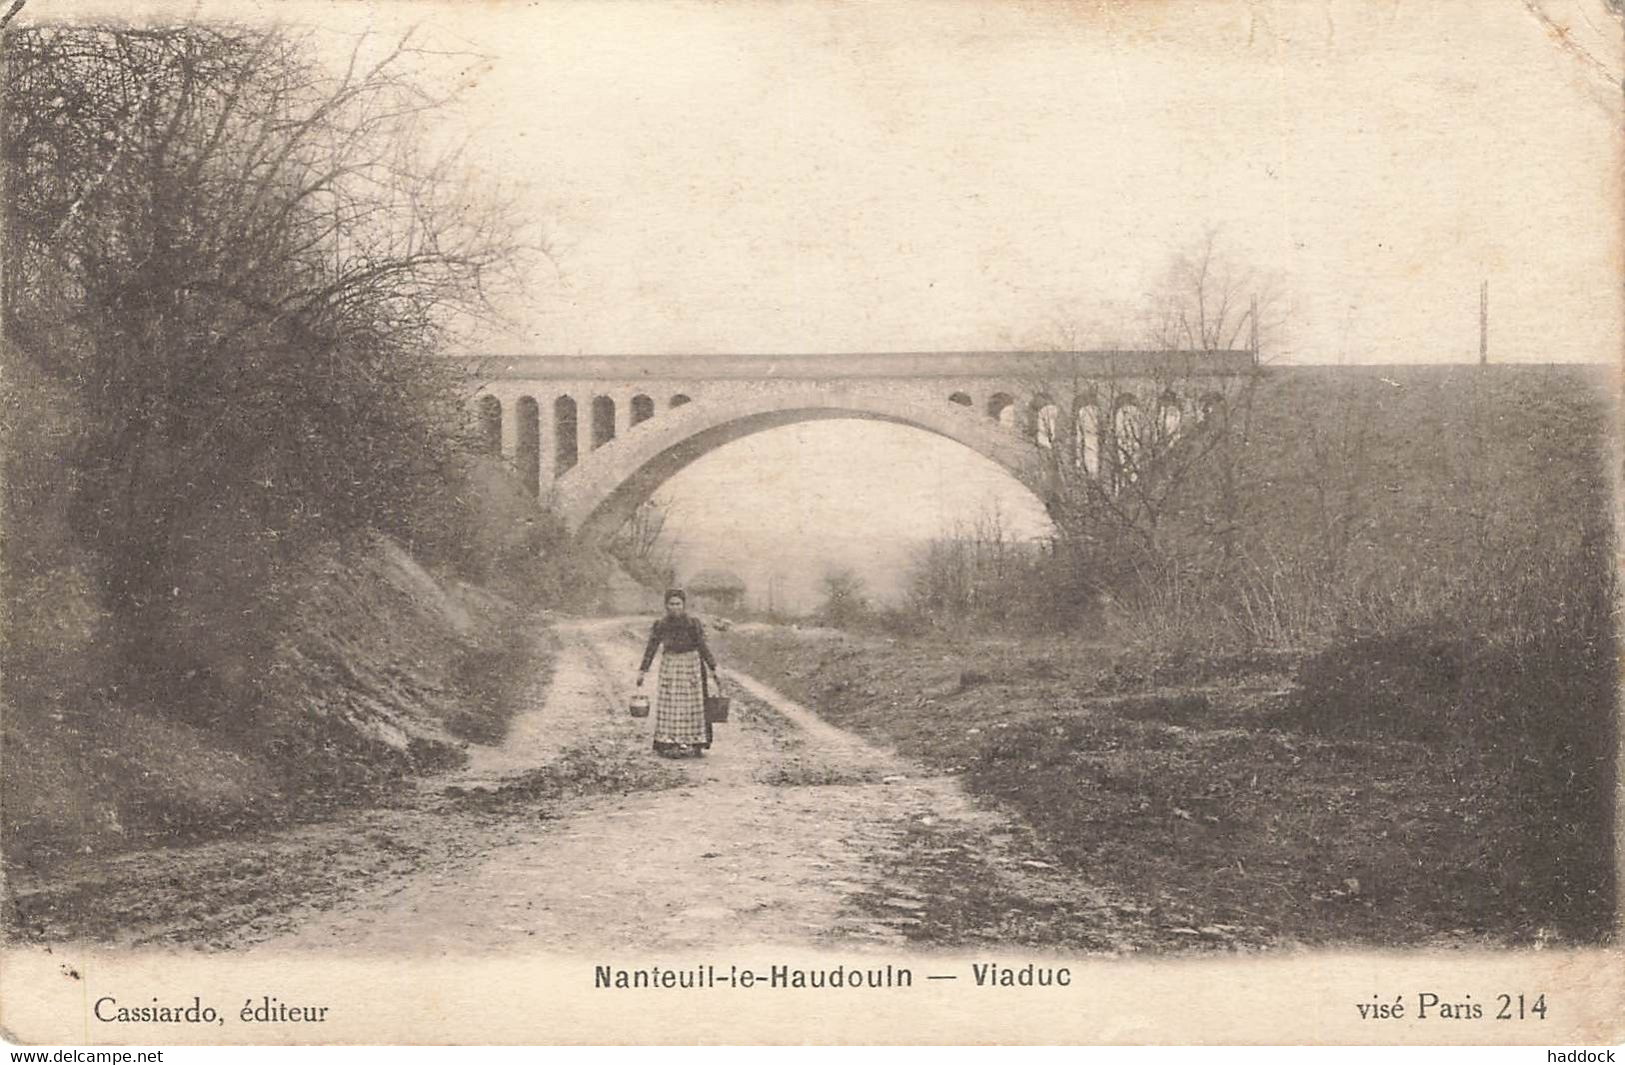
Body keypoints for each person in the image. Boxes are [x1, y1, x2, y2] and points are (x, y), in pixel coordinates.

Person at [637, 589, 722, 757]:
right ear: (666, 606)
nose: (675, 607)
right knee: (670, 705)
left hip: (691, 666)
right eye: (671, 604)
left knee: (693, 705)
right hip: (670, 665)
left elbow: (702, 646)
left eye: (678, 604)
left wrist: (713, 667)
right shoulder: (661, 625)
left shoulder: (693, 623)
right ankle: (670, 742)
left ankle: (695, 742)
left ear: (684, 605)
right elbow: (652, 647)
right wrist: (642, 670)